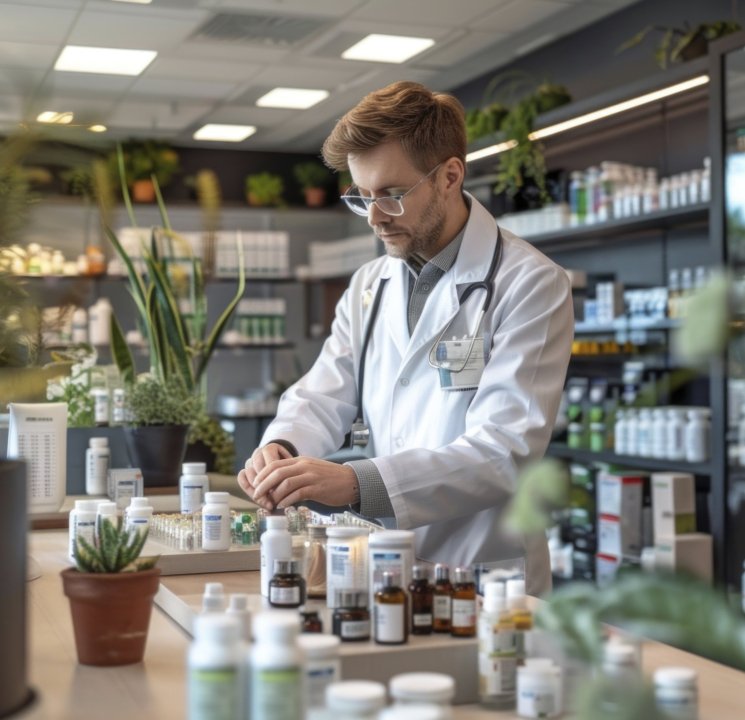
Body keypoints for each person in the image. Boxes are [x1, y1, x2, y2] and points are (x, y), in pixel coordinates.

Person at [237, 80, 573, 595]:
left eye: (391, 195)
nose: (373, 218)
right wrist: (282, 448)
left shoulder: (529, 283)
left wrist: (356, 482)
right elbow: (323, 392)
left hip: (482, 574)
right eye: (360, 197)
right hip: (380, 564)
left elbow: (505, 450)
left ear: (449, 176)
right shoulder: (369, 285)